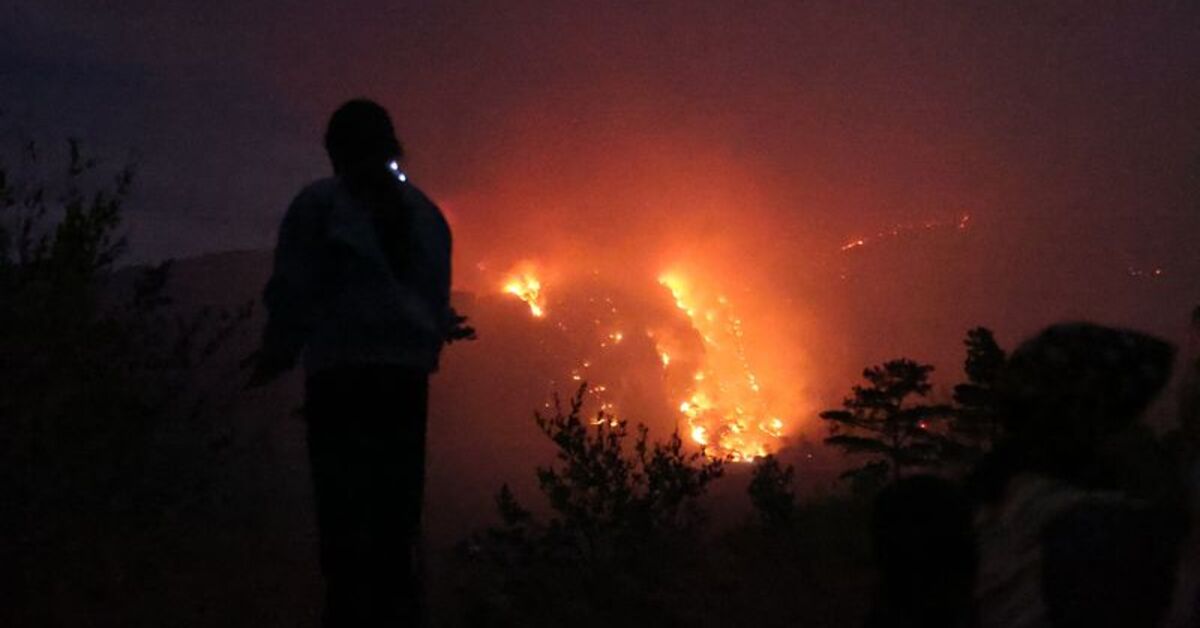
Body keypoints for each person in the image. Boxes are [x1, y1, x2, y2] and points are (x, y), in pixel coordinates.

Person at [248, 99, 472, 626]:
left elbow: (294, 289)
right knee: (395, 524)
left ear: (336, 152)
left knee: (345, 525)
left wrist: (276, 352)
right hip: (405, 386)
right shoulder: (427, 216)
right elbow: (430, 302)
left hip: (340, 382)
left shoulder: (321, 204)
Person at [968, 322, 1185, 628]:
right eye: (1139, 416)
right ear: (1100, 422)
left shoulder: (995, 503)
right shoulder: (1100, 532)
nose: (1153, 432)